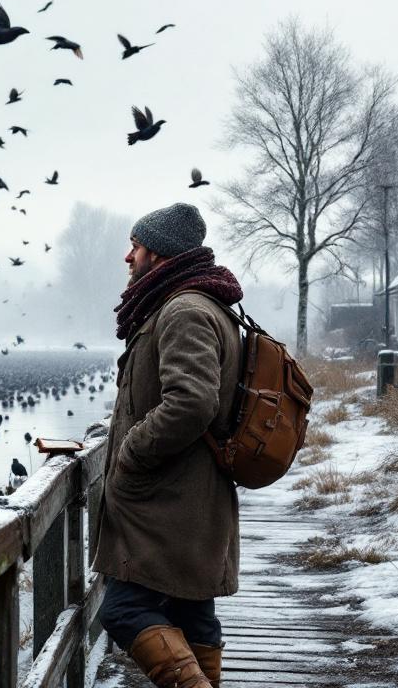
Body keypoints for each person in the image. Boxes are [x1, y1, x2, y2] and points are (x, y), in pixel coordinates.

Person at [90, 202, 244, 688]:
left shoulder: (184, 310)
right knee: (191, 610)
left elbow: (193, 402)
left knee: (123, 607)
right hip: (187, 497)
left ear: (156, 253)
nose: (127, 256)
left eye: (134, 245)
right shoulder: (196, 303)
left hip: (170, 499)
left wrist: (131, 452)